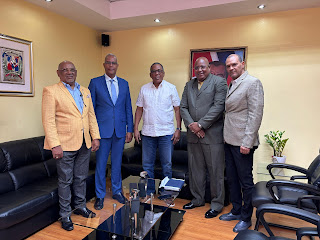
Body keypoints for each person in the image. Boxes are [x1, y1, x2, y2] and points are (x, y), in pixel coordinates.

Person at [42, 61, 100, 231]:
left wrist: (95, 137)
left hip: (84, 142)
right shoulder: (51, 91)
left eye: (72, 70)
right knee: (65, 180)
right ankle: (65, 214)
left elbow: (91, 116)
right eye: (65, 70)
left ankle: (80, 206)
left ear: (76, 72)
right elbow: (48, 120)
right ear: (58, 73)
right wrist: (54, 145)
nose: (69, 72)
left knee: (80, 178)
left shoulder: (85, 91)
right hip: (64, 145)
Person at [219, 54, 264, 232]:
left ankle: (246, 218)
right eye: (228, 66)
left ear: (242, 64)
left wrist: (247, 142)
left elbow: (255, 114)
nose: (231, 68)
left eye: (234, 65)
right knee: (232, 179)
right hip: (229, 140)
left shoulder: (253, 83)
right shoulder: (233, 83)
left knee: (246, 181)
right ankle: (236, 210)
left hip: (243, 142)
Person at [180, 57, 227, 218]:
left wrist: (200, 125)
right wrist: (192, 126)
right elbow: (183, 107)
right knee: (195, 171)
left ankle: (217, 204)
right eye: (197, 68)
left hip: (212, 136)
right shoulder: (189, 85)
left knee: (215, 172)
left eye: (203, 67)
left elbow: (218, 107)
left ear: (209, 67)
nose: (200, 70)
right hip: (194, 137)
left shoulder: (219, 83)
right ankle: (197, 199)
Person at [89, 53, 133, 208]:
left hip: (120, 131)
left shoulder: (124, 83)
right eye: (108, 63)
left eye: (114, 63)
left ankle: (117, 192)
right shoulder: (95, 83)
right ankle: (100, 195)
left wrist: (130, 128)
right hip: (102, 132)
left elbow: (128, 107)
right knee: (101, 164)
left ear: (117, 65)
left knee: (117, 163)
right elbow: (91, 110)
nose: (111, 65)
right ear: (104, 65)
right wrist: (93, 133)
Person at [134, 62, 181, 195]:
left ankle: (166, 194)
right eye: (154, 71)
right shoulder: (144, 89)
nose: (157, 73)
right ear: (150, 74)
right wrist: (136, 128)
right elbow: (139, 109)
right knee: (147, 166)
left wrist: (178, 128)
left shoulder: (171, 88)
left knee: (167, 165)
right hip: (148, 133)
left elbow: (177, 109)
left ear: (163, 73)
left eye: (159, 71)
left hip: (166, 134)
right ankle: (149, 193)